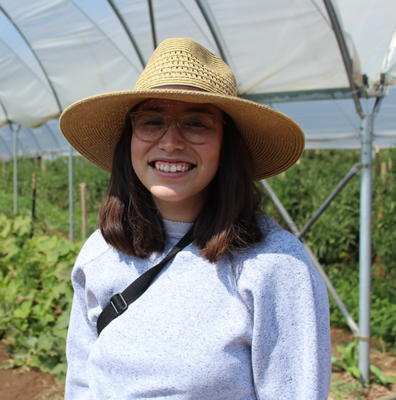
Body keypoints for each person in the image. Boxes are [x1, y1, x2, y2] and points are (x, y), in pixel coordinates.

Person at [59, 38, 331, 399]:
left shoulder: (273, 265)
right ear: (130, 139)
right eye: (152, 121)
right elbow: (82, 382)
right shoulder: (103, 252)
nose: (170, 142)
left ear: (226, 144)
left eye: (197, 123)